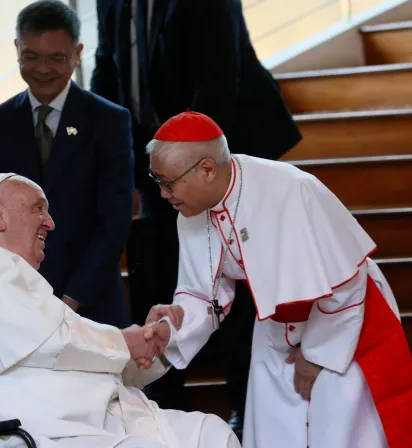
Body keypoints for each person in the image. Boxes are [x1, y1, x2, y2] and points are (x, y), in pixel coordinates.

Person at [142, 110, 412, 448]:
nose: (163, 194)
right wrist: (172, 329)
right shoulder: (191, 210)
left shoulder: (292, 189)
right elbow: (204, 296)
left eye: (167, 183)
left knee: (342, 430)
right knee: (276, 430)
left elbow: (346, 283)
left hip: (343, 323)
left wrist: (315, 355)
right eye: (158, 182)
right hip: (275, 327)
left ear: (207, 170)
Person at [90, 0, 302, 421]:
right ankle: (164, 410)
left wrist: (193, 170)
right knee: (169, 275)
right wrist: (126, 164)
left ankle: (248, 407)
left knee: (241, 286)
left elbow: (219, 78)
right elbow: (107, 70)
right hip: (158, 160)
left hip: (219, 155)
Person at [0, 173, 240, 448]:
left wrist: (155, 344)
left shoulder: (22, 285)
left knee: (210, 434)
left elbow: (83, 354)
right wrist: (128, 342)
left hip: (81, 422)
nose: (50, 223)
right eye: (37, 209)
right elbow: (56, 342)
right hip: (22, 429)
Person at [0, 0, 135, 328]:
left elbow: (114, 222)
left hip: (91, 303)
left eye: (56, 58)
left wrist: (71, 300)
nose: (43, 69)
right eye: (31, 56)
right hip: (15, 301)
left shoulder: (108, 120)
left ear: (77, 54)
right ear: (17, 48)